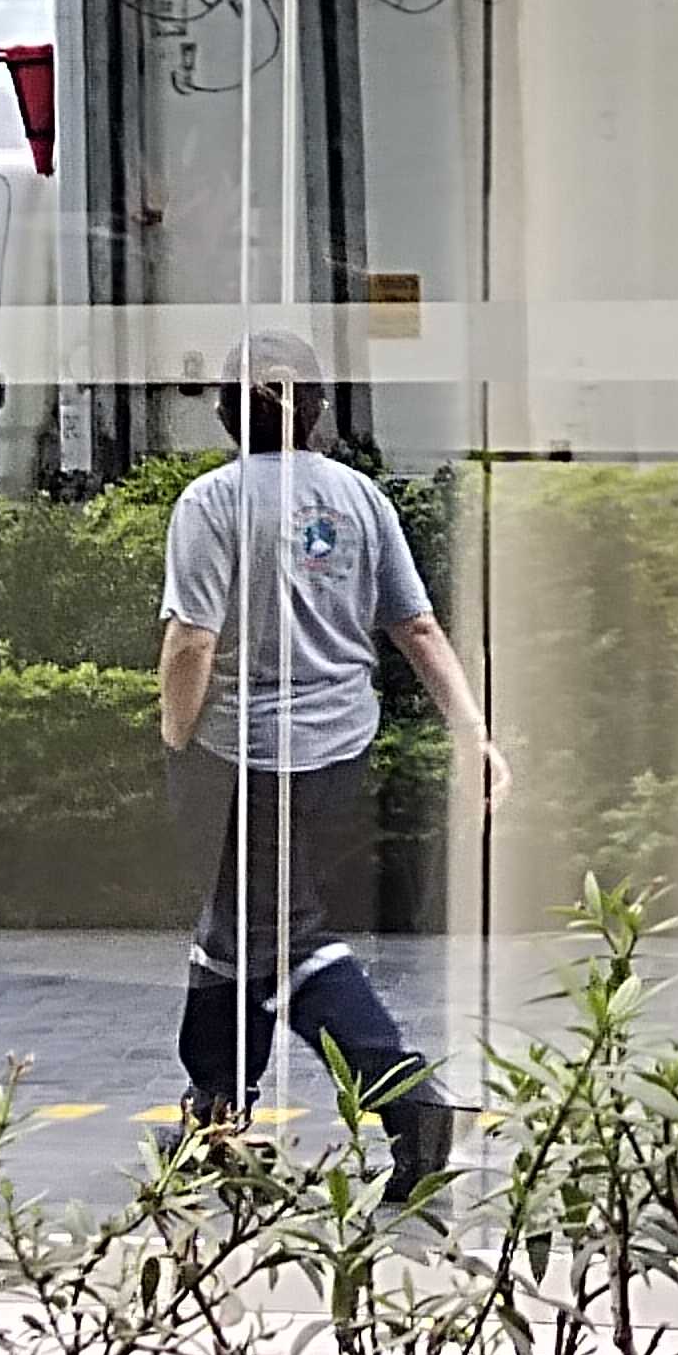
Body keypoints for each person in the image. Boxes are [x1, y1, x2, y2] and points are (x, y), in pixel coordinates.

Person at [161, 332, 508, 1202]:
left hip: (246, 755)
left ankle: (406, 1097)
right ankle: (215, 1110)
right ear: (317, 410)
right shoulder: (359, 497)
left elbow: (192, 641)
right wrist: (473, 731)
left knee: (284, 935)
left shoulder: (212, 501)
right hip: (340, 749)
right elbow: (415, 626)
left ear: (225, 412)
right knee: (237, 924)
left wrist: (173, 741)